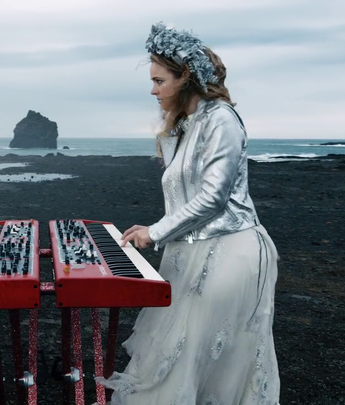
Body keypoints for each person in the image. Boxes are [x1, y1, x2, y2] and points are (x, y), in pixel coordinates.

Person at [100, 23, 280, 404]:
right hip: (188, 253)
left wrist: (156, 231)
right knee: (176, 357)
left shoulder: (221, 119)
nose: (153, 90)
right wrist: (157, 229)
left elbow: (214, 197)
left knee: (199, 357)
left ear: (186, 77)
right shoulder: (185, 126)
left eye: (159, 80)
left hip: (231, 251)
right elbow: (185, 196)